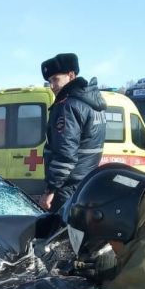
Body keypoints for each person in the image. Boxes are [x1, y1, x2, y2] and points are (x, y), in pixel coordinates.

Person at [38, 52, 106, 214]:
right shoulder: (92, 103)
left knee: (57, 236)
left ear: (71, 75)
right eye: (49, 81)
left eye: (55, 79)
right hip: (87, 183)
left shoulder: (67, 107)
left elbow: (65, 155)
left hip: (66, 188)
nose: (52, 86)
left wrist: (50, 191)